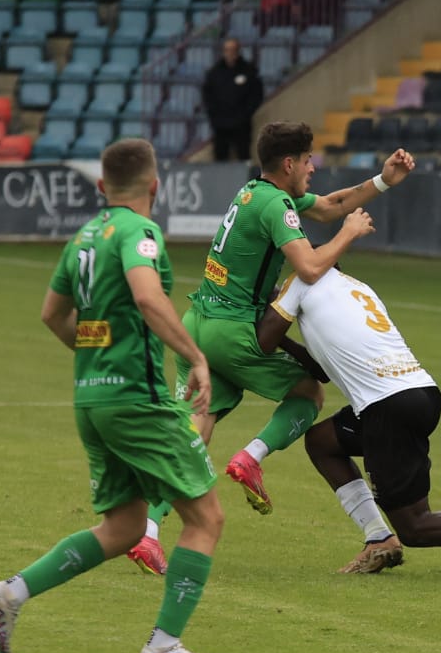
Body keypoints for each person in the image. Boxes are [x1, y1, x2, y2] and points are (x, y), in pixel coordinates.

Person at [0, 143, 232, 653]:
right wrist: (195, 357)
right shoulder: (140, 233)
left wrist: (96, 355)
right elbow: (148, 297)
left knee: (126, 527)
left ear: (99, 188)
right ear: (155, 187)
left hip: (93, 398)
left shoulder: (84, 237)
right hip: (139, 398)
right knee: (206, 518)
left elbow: (51, 314)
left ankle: (10, 594)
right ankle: (163, 645)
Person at [134, 125, 416, 559]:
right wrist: (349, 234)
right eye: (307, 160)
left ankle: (148, 532)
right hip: (231, 332)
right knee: (308, 393)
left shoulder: (254, 192)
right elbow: (307, 267)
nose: (312, 167)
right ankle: (251, 457)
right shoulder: (275, 206)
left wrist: (382, 181)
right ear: (289, 164)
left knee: (192, 436)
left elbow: (326, 205)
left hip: (197, 326)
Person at [257, 262, 441, 579]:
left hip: (387, 407)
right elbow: (321, 371)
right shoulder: (353, 288)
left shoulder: (301, 281)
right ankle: (377, 539)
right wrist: (286, 339)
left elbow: (262, 339)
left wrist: (267, 311)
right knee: (322, 441)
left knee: (414, 527)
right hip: (419, 392)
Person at [201, 37, 261, 163]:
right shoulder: (214, 72)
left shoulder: (248, 71)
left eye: (233, 50)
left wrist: (245, 114)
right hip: (220, 124)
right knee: (220, 157)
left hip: (241, 124)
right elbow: (207, 95)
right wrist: (214, 115)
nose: (230, 53)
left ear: (238, 51)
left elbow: (256, 95)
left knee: (243, 155)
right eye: (227, 50)